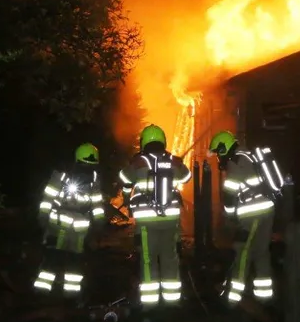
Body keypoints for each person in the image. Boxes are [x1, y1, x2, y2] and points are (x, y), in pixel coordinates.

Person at [208, 130, 286, 306]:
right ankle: (264, 296)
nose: (218, 157)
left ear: (223, 148)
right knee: (261, 252)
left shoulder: (235, 162)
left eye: (218, 152)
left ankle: (233, 298)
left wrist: (229, 217)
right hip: (267, 210)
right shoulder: (249, 156)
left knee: (242, 252)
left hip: (251, 214)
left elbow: (230, 194)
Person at [119, 124, 191, 308]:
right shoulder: (172, 160)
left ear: (143, 142)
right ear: (163, 141)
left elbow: (124, 178)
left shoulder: (139, 163)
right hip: (170, 219)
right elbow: (187, 177)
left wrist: (127, 198)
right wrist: (178, 163)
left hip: (146, 221)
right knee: (170, 258)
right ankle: (172, 302)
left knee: (148, 259)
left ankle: (150, 305)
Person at [33, 143, 107, 301]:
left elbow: (96, 203)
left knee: (61, 262)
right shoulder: (65, 175)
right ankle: (52, 296)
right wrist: (99, 223)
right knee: (63, 262)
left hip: (66, 228)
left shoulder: (90, 178)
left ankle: (56, 297)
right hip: (66, 228)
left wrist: (43, 217)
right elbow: (49, 197)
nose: (87, 167)